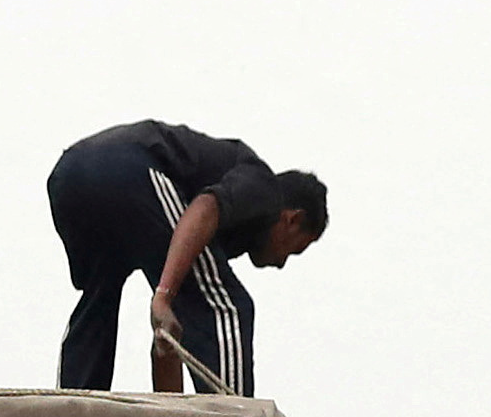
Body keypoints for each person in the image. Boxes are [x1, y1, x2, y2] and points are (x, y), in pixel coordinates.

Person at [46, 122, 329, 394]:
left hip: (70, 178)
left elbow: (169, 334)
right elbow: (205, 208)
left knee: (101, 297)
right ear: (292, 219)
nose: (281, 263)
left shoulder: (229, 231)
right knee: (227, 306)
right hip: (128, 168)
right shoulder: (264, 189)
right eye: (293, 250)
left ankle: (72, 409)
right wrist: (165, 295)